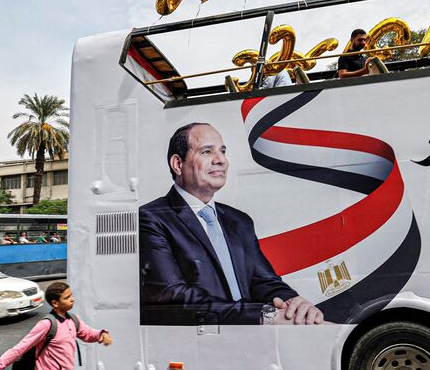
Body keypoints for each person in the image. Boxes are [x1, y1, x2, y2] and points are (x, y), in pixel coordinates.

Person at [139, 123, 324, 326]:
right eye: (207, 151)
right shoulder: (152, 218)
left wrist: (293, 304)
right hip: (197, 344)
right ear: (178, 164)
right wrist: (263, 315)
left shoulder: (239, 221)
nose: (221, 160)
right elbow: (173, 296)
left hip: (254, 340)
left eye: (223, 151)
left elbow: (264, 282)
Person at [0, 282, 113, 370]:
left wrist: (101, 335)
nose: (72, 299)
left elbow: (87, 333)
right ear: (55, 303)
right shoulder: (47, 324)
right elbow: (19, 349)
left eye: (71, 295)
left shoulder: (73, 320)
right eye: (67, 297)